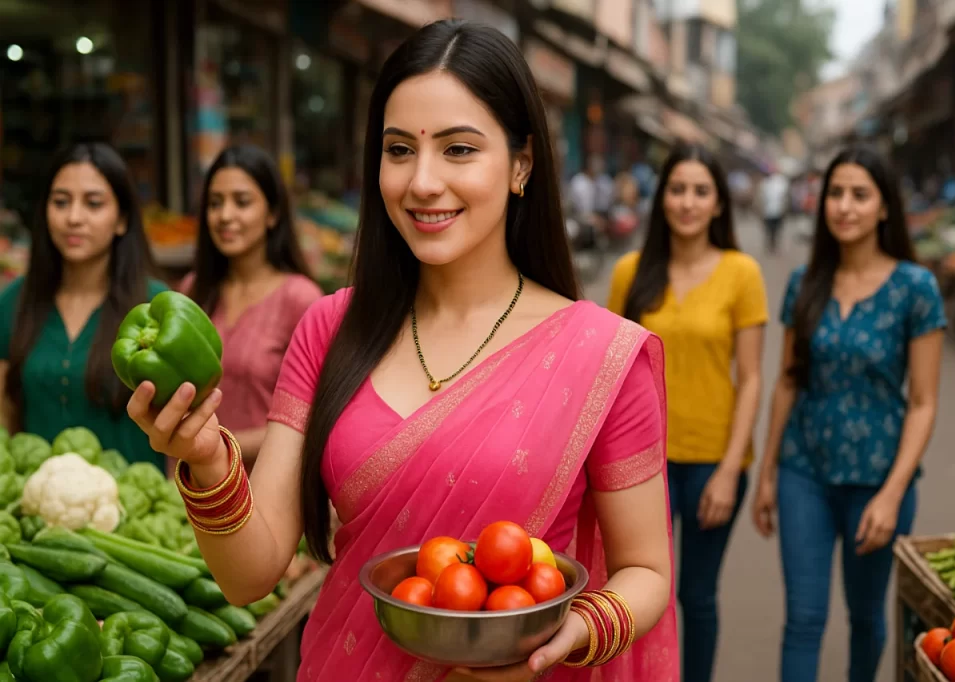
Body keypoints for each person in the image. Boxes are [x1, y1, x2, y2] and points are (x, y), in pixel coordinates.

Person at [127, 19, 679, 682]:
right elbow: (249, 576)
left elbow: (645, 569)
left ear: (521, 164)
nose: (421, 182)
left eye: (458, 150)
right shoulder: (330, 329)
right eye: (398, 150)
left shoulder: (603, 356)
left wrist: (569, 634)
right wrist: (207, 458)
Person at [752, 146, 946, 682]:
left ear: (885, 208)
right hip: (803, 472)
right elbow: (788, 380)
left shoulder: (916, 288)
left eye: (860, 195)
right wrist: (767, 472)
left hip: (879, 479)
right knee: (804, 620)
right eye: (835, 194)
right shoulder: (805, 283)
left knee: (865, 619)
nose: (845, 206)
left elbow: (925, 402)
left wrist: (892, 492)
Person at [607, 143, 768, 682]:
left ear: (719, 203)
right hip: (637, 465)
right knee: (639, 593)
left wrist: (728, 470)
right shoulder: (631, 272)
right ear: (662, 198)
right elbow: (610, 372)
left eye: (701, 191)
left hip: (711, 461)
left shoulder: (742, 273)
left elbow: (751, 379)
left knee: (696, 596)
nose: (688, 202)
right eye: (678, 189)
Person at [0, 143, 168, 467]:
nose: (73, 218)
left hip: (138, 507)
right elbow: (5, 414)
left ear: (121, 220)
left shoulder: (155, 309)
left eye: (93, 204)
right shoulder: (14, 302)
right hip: (33, 508)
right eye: (61, 202)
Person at [178, 144, 321, 466]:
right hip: (191, 486)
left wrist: (218, 443)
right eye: (215, 203)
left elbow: (316, 420)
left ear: (272, 214)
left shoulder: (300, 299)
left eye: (241, 202)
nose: (225, 215)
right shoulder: (193, 290)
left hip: (265, 489)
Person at [760, 168, 789, 254]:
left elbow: (785, 197)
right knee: (769, 230)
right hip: (768, 212)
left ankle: (774, 245)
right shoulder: (765, 183)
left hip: (778, 212)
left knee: (776, 230)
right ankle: (770, 245)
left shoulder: (782, 183)